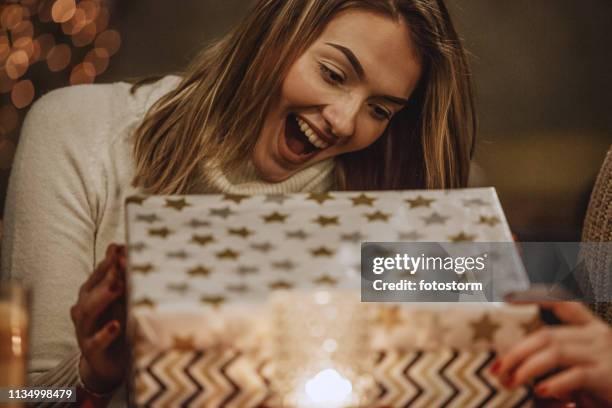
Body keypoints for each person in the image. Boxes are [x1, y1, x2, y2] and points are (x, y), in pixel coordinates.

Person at [1, 0, 477, 406]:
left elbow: (509, 313)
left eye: (380, 110)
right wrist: (92, 375)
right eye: (333, 74)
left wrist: (518, 294)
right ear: (272, 36)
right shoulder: (78, 131)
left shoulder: (393, 199)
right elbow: (22, 396)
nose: (346, 122)